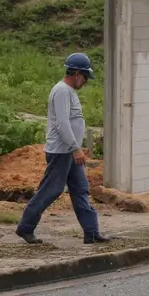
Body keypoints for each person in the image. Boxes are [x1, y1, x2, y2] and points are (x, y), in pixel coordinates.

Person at [16, 52, 109, 245]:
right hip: (61, 151)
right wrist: (76, 148)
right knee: (51, 189)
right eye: (84, 77)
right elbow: (62, 124)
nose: (85, 82)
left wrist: (76, 147)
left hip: (69, 150)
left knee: (80, 188)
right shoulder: (61, 91)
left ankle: (91, 232)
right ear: (76, 74)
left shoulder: (69, 92)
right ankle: (26, 227)